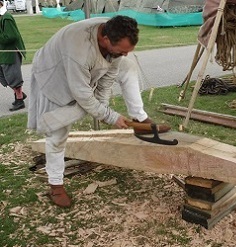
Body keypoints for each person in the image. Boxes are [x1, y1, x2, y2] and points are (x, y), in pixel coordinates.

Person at [27, 15, 169, 208]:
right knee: (57, 135)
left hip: (79, 74)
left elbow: (108, 76)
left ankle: (140, 118)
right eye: (121, 51)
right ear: (105, 40)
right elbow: (83, 95)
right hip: (53, 77)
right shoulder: (78, 50)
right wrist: (110, 116)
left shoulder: (115, 39)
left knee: (127, 67)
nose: (125, 55)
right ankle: (56, 186)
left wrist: (102, 108)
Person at [0, 0, 27, 111]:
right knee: (4, 77)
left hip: (10, 53)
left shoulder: (6, 18)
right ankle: (19, 94)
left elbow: (11, 37)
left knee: (13, 77)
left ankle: (19, 100)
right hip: (3, 53)